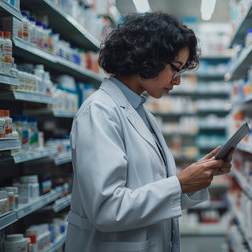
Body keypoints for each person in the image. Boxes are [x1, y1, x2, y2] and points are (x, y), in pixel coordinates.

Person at [65, 12, 234, 252]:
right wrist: (178, 184)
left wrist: (195, 179)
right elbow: (106, 210)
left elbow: (151, 191)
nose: (177, 81)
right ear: (148, 57)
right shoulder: (99, 112)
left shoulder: (142, 113)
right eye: (175, 69)